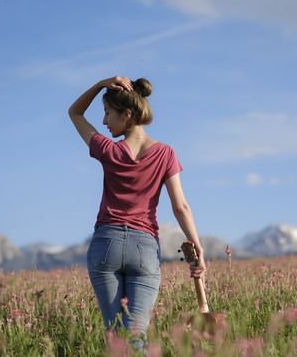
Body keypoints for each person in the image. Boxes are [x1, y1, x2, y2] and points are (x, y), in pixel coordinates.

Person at [68, 76, 206, 349]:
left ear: (127, 114)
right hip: (144, 248)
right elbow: (180, 207)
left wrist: (100, 85)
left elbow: (74, 112)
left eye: (107, 113)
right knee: (136, 336)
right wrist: (198, 247)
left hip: (105, 244)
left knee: (116, 336)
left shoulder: (107, 149)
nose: (105, 122)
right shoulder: (166, 153)